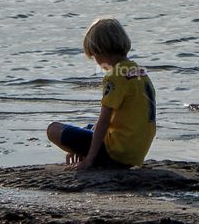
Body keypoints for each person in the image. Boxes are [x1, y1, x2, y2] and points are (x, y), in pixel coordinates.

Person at [46, 17, 156, 170]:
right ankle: (86, 152)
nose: (95, 61)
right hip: (135, 153)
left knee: (53, 129)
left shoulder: (114, 77)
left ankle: (94, 157)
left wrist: (89, 160)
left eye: (94, 56)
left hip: (117, 154)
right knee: (90, 127)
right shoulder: (141, 73)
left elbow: (104, 121)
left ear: (101, 51)